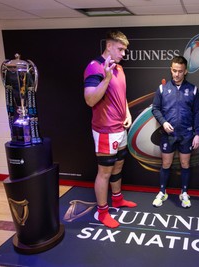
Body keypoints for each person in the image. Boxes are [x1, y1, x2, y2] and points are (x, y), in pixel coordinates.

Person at [83, 30, 137, 228]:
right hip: (105, 130)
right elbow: (89, 100)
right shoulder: (94, 67)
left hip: (120, 128)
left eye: (125, 50)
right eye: (121, 49)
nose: (123, 54)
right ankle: (102, 212)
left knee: (118, 167)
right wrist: (105, 78)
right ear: (109, 46)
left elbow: (121, 95)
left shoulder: (119, 69)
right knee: (104, 172)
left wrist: (127, 112)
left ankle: (117, 199)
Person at [151, 56, 199, 208]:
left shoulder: (192, 89)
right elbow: (155, 109)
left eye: (180, 71)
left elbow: (198, 113)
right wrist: (164, 122)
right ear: (171, 69)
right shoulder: (162, 89)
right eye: (174, 70)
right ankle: (162, 192)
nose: (177, 74)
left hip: (186, 134)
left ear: (185, 71)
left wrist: (198, 134)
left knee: (185, 163)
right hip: (168, 135)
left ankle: (184, 193)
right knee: (166, 163)